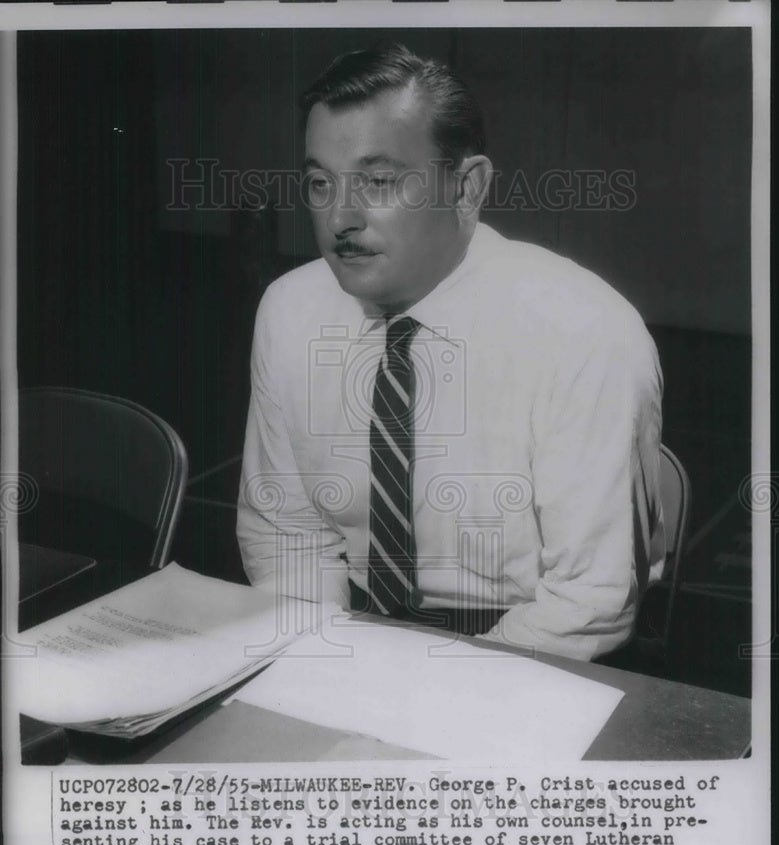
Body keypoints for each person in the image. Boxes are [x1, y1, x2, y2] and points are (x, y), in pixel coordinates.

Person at [237, 43, 665, 663]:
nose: (340, 218)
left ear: (467, 188)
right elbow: (288, 535)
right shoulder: (289, 310)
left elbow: (587, 602)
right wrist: (325, 662)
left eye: (379, 182)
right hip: (347, 633)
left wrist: (426, 688)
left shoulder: (587, 333)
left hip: (534, 650)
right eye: (319, 183)